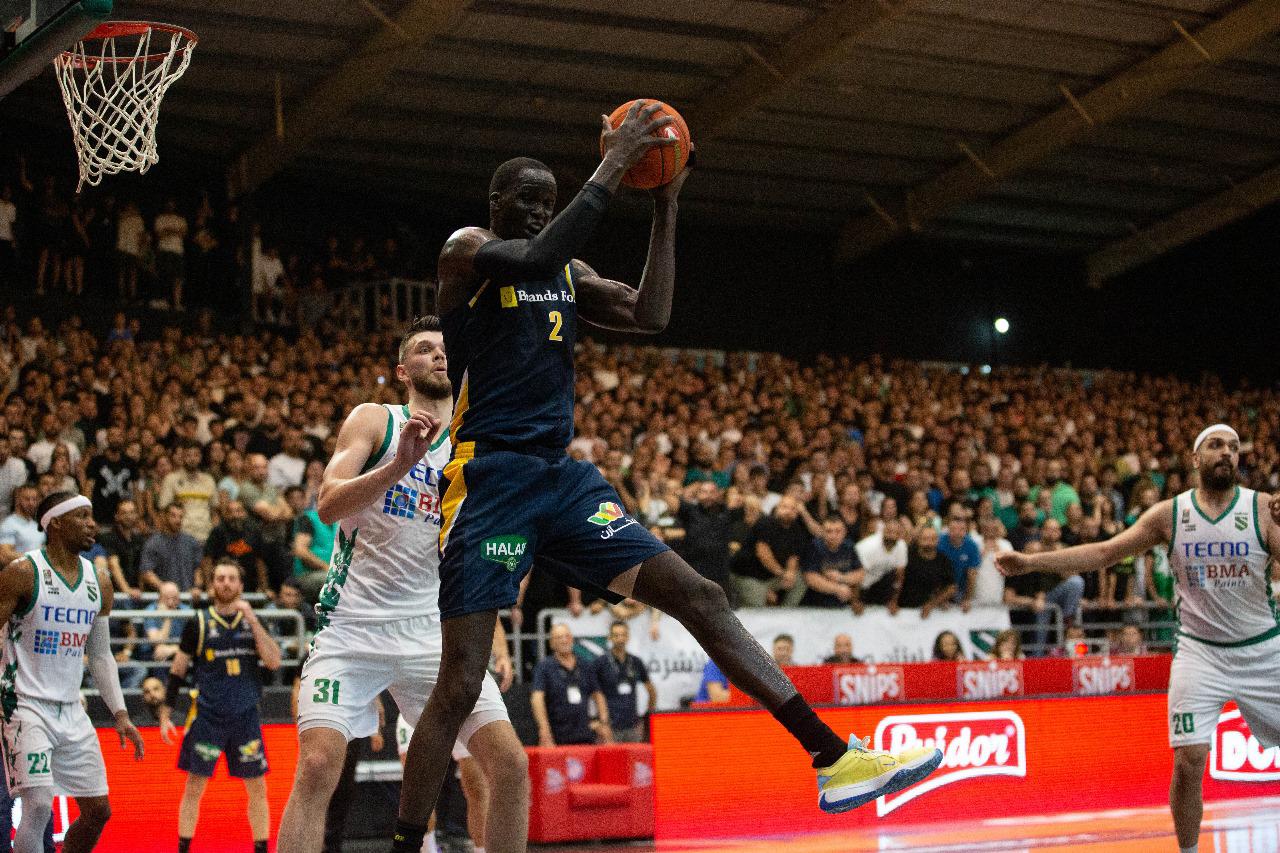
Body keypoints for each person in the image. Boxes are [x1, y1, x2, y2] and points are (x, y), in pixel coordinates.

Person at [393, 109, 939, 853]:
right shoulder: (468, 250)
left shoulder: (568, 271)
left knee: (700, 595)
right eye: (528, 200)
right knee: (459, 683)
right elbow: (535, 253)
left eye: (548, 201)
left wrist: (666, 204)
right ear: (496, 204)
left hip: (561, 478)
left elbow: (650, 312)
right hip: (489, 479)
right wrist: (615, 163)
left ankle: (833, 757)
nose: (542, 211)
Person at [277, 317, 527, 853]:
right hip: (352, 628)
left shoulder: (476, 443)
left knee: (508, 764)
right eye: (424, 348)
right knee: (317, 765)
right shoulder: (375, 420)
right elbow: (328, 504)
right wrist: (398, 466)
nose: (438, 355)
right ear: (402, 370)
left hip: (432, 633)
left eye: (446, 348)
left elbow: (490, 545)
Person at [999, 425, 1280, 853]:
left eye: (1234, 447)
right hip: (1200, 654)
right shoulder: (1171, 514)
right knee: (1189, 760)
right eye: (1216, 445)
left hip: (1263, 650)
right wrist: (1030, 563)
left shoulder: (1262, 509)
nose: (1226, 452)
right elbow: (1104, 553)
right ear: (1195, 458)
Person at [0, 491, 144, 853]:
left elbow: (101, 655)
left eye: (92, 516)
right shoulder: (23, 573)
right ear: (56, 524)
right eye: (82, 516)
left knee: (98, 811)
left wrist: (121, 713)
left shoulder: (100, 581)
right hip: (23, 704)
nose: (92, 524)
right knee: (39, 804)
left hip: (70, 707)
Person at [149, 560, 281, 853]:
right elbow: (178, 670)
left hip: (245, 716)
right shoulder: (198, 622)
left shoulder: (252, 621)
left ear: (241, 585)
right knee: (194, 786)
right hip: (208, 717)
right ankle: (184, 847)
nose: (226, 583)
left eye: (232, 578)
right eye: (220, 578)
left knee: (257, 787)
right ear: (212, 585)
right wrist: (166, 712)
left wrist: (253, 620)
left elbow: (274, 661)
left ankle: (261, 847)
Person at [531, 624, 611, 747]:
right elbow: (537, 699)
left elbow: (598, 695)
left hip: (585, 736)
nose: (564, 640)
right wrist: (544, 729)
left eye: (567, 636)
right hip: (557, 736)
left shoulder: (585, 665)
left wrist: (604, 723)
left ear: (572, 639)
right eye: (559, 637)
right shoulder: (544, 667)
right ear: (551, 643)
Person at [589, 620, 656, 743]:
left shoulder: (635, 662)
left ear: (628, 636)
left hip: (633, 726)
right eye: (616, 635)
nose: (620, 639)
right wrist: (602, 722)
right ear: (610, 637)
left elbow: (651, 690)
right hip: (610, 727)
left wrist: (647, 718)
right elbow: (595, 694)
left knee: (635, 755)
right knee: (611, 755)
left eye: (623, 635)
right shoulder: (600, 663)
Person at [799, 517, 862, 608]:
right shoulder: (814, 547)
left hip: (844, 603)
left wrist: (841, 578)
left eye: (838, 531)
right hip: (815, 604)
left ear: (844, 532)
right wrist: (837, 589)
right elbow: (810, 577)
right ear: (822, 532)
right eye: (829, 531)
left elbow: (860, 573)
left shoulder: (849, 546)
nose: (833, 535)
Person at [139, 503, 202, 592]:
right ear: (164, 517)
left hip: (187, 596)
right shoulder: (153, 543)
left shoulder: (191, 542)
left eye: (180, 517)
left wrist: (197, 587)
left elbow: (197, 569)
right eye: (173, 516)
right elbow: (146, 572)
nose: (178, 520)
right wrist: (165, 588)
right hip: (163, 597)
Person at [852, 518, 909, 615]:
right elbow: (855, 575)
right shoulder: (868, 547)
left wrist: (894, 600)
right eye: (889, 532)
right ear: (882, 532)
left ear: (900, 535)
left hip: (880, 581)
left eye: (896, 533)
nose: (892, 536)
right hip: (859, 583)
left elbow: (900, 575)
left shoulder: (902, 546)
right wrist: (855, 601)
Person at [898, 526, 957, 619]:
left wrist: (932, 604)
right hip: (902, 610)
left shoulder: (943, 560)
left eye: (932, 539)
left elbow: (951, 587)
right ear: (918, 540)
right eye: (925, 539)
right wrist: (892, 601)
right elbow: (896, 578)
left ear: (937, 541)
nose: (929, 542)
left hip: (929, 613)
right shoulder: (907, 554)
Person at [0, 484, 44, 565]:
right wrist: (34, 559)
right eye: (27, 499)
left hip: (38, 570)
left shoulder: (36, 525)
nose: (31, 503)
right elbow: (4, 554)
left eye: (34, 499)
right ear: (17, 500)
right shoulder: (9, 524)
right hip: (19, 571)